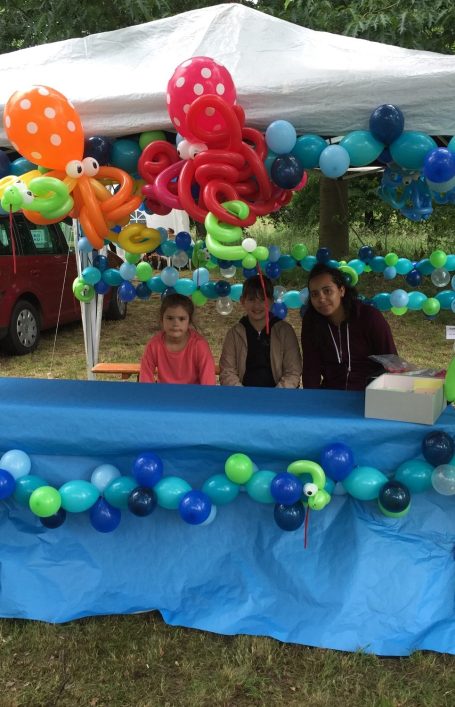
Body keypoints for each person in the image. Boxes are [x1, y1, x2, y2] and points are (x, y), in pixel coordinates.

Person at [301, 263, 397, 391]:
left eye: (327, 291)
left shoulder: (368, 317)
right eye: (314, 294)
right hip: (329, 396)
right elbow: (311, 368)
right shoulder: (311, 321)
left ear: (341, 290)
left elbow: (391, 361)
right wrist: (310, 401)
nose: (321, 299)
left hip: (368, 396)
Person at [219, 275, 302, 388]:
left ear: (271, 301)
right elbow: (227, 372)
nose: (257, 305)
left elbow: (293, 372)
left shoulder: (285, 332)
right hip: (243, 397)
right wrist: (243, 395)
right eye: (251, 299)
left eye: (263, 299)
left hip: (278, 397)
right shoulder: (234, 334)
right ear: (242, 301)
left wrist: (275, 397)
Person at [139, 293, 216, 385]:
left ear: (189, 321)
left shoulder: (199, 345)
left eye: (182, 319)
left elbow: (208, 383)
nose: (175, 323)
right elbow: (145, 381)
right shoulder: (154, 345)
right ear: (161, 319)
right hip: (163, 396)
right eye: (170, 318)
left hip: (194, 397)